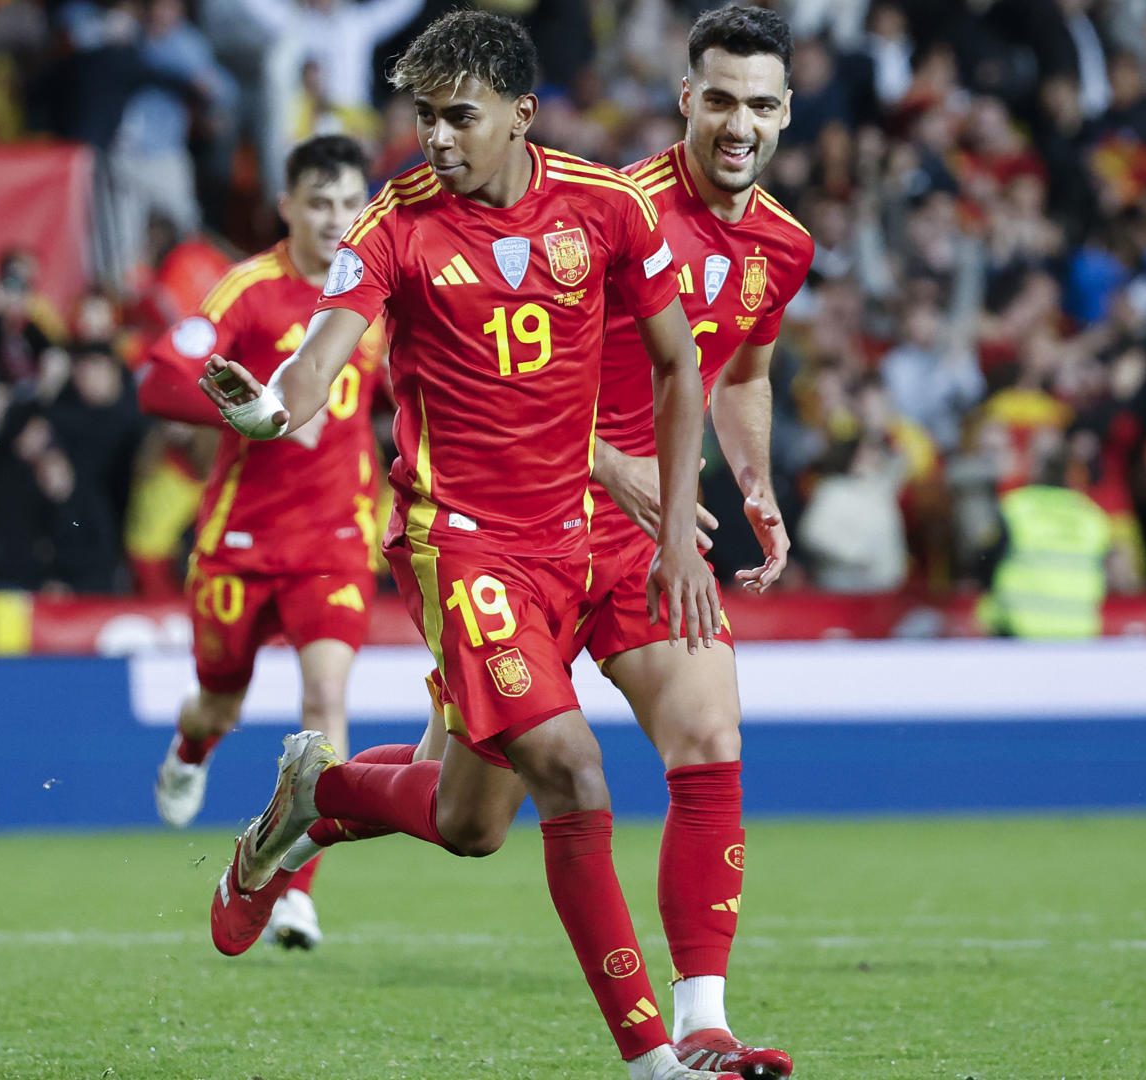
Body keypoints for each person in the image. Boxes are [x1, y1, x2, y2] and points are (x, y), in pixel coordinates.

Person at [198, 13, 731, 1080]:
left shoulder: (608, 207)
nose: (437, 138)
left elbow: (681, 370)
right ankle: (659, 1059)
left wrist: (675, 534)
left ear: (521, 116)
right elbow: (319, 362)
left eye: (459, 117)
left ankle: (317, 797)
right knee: (575, 779)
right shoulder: (395, 223)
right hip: (463, 550)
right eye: (425, 117)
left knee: (470, 823)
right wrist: (268, 412)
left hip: (583, 546)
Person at [307, 9, 811, 1074]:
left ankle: (701, 1025)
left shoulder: (784, 245)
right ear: (686, 100)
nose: (737, 123)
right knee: (467, 821)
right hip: (515, 528)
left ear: (785, 115)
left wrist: (752, 483)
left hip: (642, 537)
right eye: (718, 98)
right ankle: (322, 795)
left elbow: (741, 373)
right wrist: (603, 457)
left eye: (759, 103)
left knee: (710, 739)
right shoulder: (607, 206)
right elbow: (505, 380)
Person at [137, 134, 384, 951]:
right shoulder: (248, 290)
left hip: (338, 539)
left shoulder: (379, 293)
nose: (336, 219)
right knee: (222, 701)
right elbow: (160, 378)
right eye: (319, 202)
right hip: (240, 539)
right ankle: (190, 748)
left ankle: (293, 885)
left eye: (350, 202)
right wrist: (243, 411)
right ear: (287, 207)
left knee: (325, 706)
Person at [977, 452, 1112, 639]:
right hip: (1077, 630)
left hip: (1018, 628)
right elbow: (1105, 573)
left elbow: (984, 561)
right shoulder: (1092, 517)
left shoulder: (1016, 507)